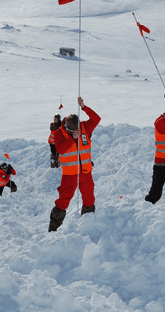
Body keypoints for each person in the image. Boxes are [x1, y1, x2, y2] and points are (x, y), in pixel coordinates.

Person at [48, 97, 101, 232]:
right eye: (71, 131)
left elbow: (96, 119)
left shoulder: (84, 127)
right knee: (63, 201)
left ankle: (87, 225)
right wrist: (73, 139)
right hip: (69, 175)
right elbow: (60, 149)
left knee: (89, 198)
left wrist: (84, 107)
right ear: (66, 126)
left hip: (86, 172)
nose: (75, 132)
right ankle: (53, 228)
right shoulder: (59, 133)